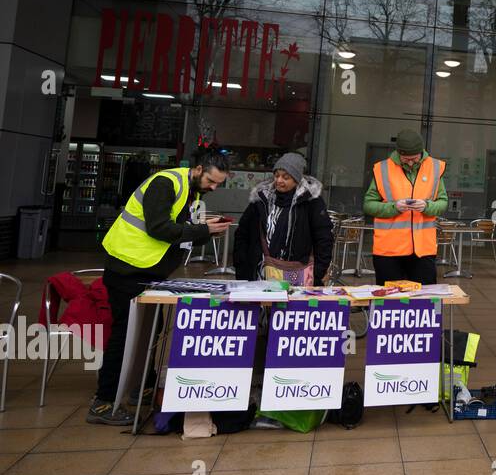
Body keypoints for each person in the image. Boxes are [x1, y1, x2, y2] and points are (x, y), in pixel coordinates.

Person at [89, 148, 231, 424]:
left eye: (218, 184)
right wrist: (203, 231)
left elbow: (180, 229)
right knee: (126, 335)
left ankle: (142, 387)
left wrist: (203, 227)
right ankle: (104, 401)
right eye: (211, 181)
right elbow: (159, 228)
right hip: (127, 268)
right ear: (199, 170)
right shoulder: (166, 183)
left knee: (150, 332)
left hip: (149, 272)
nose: (214, 187)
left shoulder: (191, 192)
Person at [233, 152, 334, 285]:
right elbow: (243, 233)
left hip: (298, 274)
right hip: (260, 273)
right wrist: (241, 266)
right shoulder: (261, 199)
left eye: (285, 177)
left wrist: (318, 272)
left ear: (297, 179)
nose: (279, 180)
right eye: (276, 175)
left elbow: (324, 238)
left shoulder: (311, 202)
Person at [363, 129, 448, 284]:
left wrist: (427, 206)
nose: (410, 162)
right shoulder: (382, 169)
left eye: (414, 159)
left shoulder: (434, 168)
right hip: (388, 251)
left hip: (423, 251)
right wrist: (394, 207)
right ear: (398, 153)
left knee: (424, 301)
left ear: (421, 153)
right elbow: (368, 205)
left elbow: (443, 202)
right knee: (389, 301)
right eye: (405, 159)